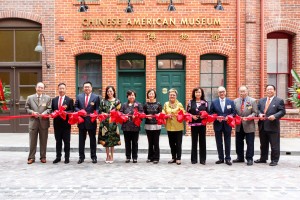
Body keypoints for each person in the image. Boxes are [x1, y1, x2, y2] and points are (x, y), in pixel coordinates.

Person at [255, 84, 286, 166]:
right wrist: (259, 114)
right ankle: (263, 158)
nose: (269, 91)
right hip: (262, 126)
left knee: (274, 144)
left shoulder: (279, 100)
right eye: (268, 89)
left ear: (274, 91)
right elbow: (257, 110)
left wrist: (275, 116)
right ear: (265, 91)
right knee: (263, 144)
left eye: (271, 89)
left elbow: (282, 111)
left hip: (273, 126)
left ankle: (274, 160)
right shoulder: (261, 100)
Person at [25, 82, 51, 164]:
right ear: (36, 88)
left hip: (44, 122)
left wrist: (44, 113)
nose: (40, 89)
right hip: (33, 122)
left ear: (44, 89)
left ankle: (43, 157)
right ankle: (31, 157)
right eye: (39, 87)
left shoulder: (47, 98)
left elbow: (49, 109)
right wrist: (32, 112)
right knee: (32, 141)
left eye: (42, 87)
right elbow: (26, 108)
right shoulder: (30, 98)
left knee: (43, 141)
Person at [74, 81, 100, 164]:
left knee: (92, 140)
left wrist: (94, 114)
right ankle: (81, 157)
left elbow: (98, 109)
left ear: (91, 88)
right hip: (81, 121)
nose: (87, 88)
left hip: (91, 122)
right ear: (83, 88)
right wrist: (80, 111)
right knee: (81, 140)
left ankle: (94, 157)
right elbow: (75, 107)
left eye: (88, 87)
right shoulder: (79, 96)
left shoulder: (96, 97)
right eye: (85, 87)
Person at [210, 86, 236, 166]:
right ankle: (220, 158)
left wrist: (229, 116)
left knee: (227, 141)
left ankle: (228, 158)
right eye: (220, 92)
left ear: (225, 92)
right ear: (218, 93)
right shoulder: (214, 102)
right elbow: (210, 113)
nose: (222, 93)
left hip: (227, 124)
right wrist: (216, 117)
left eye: (223, 91)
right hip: (218, 124)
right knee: (219, 142)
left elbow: (234, 113)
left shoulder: (230, 102)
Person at [233, 86, 258, 166]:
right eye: (241, 91)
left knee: (250, 143)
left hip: (249, 125)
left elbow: (255, 112)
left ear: (247, 91)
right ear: (238, 92)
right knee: (238, 142)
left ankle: (249, 158)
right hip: (239, 125)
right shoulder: (235, 101)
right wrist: (236, 116)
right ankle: (240, 157)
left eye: (244, 91)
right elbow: (234, 112)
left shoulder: (252, 101)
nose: (242, 93)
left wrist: (249, 117)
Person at [51, 83, 74, 164]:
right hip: (57, 124)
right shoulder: (54, 100)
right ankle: (58, 157)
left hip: (66, 124)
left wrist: (64, 112)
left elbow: (72, 110)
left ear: (65, 89)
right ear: (58, 89)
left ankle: (67, 158)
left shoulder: (69, 100)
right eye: (60, 88)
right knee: (58, 141)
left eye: (63, 88)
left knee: (67, 142)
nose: (61, 90)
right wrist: (55, 113)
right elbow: (52, 111)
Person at [98, 86, 121, 164]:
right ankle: (107, 155)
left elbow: (119, 112)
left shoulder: (117, 101)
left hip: (113, 123)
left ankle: (112, 156)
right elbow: (99, 111)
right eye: (108, 91)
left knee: (112, 140)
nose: (109, 93)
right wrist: (102, 113)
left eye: (111, 91)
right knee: (106, 140)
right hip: (105, 124)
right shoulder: (103, 101)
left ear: (114, 92)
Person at [120, 90, 143, 163]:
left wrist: (136, 116)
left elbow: (142, 114)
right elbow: (120, 113)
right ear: (127, 96)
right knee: (127, 142)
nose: (131, 96)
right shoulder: (124, 105)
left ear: (135, 96)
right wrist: (124, 116)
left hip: (135, 127)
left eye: (133, 95)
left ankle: (135, 157)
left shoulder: (138, 104)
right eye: (130, 95)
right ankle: (128, 157)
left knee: (135, 142)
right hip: (126, 127)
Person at [162, 88, 185, 165]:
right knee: (171, 143)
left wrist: (176, 114)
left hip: (178, 126)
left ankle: (178, 158)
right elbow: (163, 112)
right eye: (171, 95)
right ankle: (173, 157)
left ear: (176, 96)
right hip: (169, 126)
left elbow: (183, 113)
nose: (172, 96)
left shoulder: (179, 104)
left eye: (173, 95)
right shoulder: (166, 104)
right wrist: (166, 115)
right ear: (168, 96)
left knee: (178, 143)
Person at [187, 87, 208, 165]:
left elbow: (207, 112)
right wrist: (192, 116)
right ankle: (194, 159)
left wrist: (204, 116)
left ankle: (203, 159)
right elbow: (187, 112)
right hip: (194, 124)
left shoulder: (205, 102)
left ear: (201, 93)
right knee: (194, 141)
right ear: (194, 93)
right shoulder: (190, 102)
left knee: (203, 141)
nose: (198, 94)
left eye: (199, 92)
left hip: (202, 124)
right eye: (196, 92)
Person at [143, 89, 162, 164]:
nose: (151, 95)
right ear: (148, 95)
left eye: (152, 94)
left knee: (156, 142)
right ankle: (150, 157)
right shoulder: (145, 104)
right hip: (148, 125)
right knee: (150, 142)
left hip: (156, 125)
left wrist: (158, 115)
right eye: (149, 94)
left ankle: (156, 157)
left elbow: (161, 114)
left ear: (154, 95)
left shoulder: (158, 104)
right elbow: (143, 114)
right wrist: (147, 116)